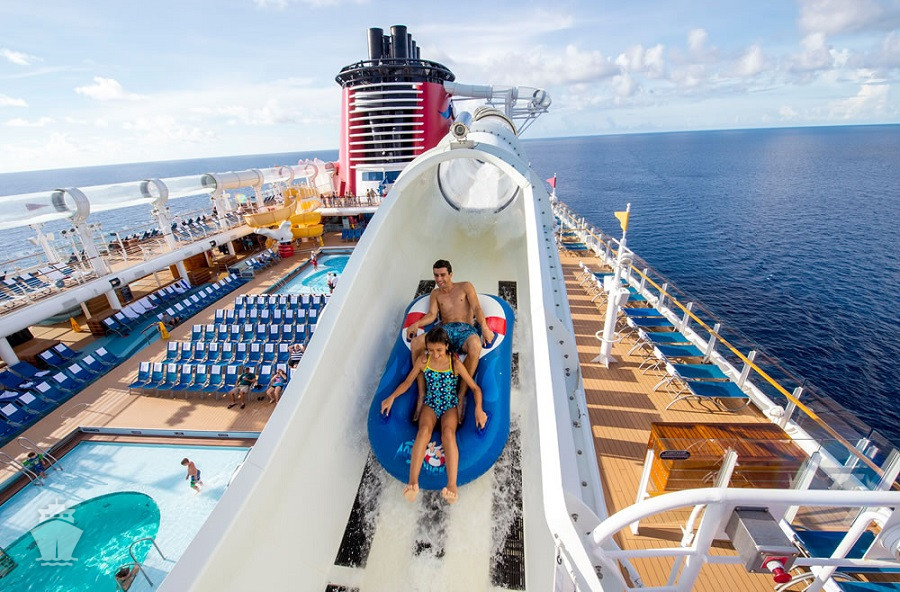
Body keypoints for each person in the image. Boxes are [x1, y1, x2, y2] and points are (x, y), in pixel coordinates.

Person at [380, 327, 485, 505]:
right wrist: (392, 397)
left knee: (448, 433)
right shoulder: (424, 360)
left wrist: (479, 409)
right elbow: (407, 382)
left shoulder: (454, 363)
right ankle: (412, 483)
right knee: (423, 431)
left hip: (450, 404)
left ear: (447, 346)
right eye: (431, 350)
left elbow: (475, 388)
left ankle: (452, 486)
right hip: (430, 402)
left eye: (439, 350)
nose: (435, 354)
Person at [405, 260, 494, 423]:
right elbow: (432, 315)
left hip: (465, 330)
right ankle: (422, 393)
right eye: (436, 275)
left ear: (451, 274)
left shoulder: (465, 286)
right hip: (445, 330)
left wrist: (485, 328)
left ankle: (461, 395)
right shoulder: (435, 294)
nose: (439, 279)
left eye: (443, 275)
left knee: (475, 344)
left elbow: (477, 308)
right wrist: (416, 324)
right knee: (416, 343)